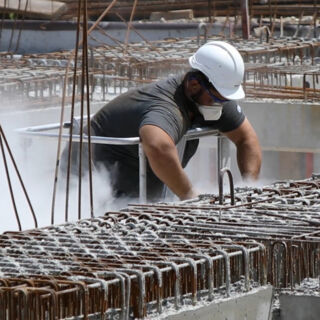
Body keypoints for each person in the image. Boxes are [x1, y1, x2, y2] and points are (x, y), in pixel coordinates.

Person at [69, 41, 262, 201]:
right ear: (194, 85)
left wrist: (248, 188)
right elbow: (158, 147)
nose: (221, 105)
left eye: (226, 99)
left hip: (135, 190)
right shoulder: (167, 106)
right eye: (218, 99)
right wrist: (190, 196)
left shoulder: (211, 96)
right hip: (88, 184)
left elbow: (247, 139)